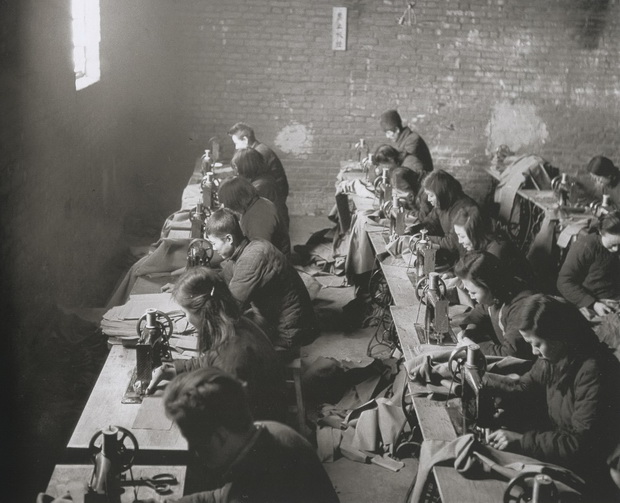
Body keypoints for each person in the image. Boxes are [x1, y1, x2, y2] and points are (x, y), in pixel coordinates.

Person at [484, 294, 620, 500]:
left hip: (589, 475)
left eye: (537, 344)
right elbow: (523, 386)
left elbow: (579, 443)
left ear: (561, 336)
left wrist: (521, 440)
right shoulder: (556, 357)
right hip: (563, 452)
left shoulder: (594, 369)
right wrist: (481, 379)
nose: (533, 351)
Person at [163, 367, 340, 503]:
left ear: (221, 436)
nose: (195, 452)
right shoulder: (271, 430)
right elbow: (224, 495)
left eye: (196, 444)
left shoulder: (260, 486)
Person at [147, 267, 286, 421]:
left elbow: (231, 413)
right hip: (255, 401)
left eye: (184, 313)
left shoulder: (232, 353)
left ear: (203, 312)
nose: (185, 318)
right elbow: (211, 359)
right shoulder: (232, 324)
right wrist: (175, 369)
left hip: (259, 420)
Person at [205, 208, 317, 359]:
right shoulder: (250, 246)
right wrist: (200, 283)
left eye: (214, 243)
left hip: (288, 333)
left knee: (228, 348)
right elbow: (224, 278)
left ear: (229, 239)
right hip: (282, 318)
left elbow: (231, 308)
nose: (213, 248)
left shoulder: (251, 259)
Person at [454, 251, 536, 359]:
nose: (470, 295)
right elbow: (481, 311)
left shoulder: (521, 307)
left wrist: (472, 346)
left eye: (473, 293)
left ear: (490, 286)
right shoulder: (496, 294)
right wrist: (469, 331)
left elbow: (511, 353)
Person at [557, 210, 620, 317]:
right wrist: (593, 304)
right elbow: (564, 282)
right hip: (596, 303)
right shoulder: (585, 247)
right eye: (612, 244)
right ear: (601, 232)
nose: (616, 249)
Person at [452, 205, 535, 286]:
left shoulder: (496, 251)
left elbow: (484, 288)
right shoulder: (478, 244)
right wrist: (457, 278)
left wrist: (460, 281)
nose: (460, 241)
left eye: (462, 236)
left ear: (475, 233)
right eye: (458, 235)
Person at [217, 176, 291, 257]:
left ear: (235, 201)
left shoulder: (259, 217)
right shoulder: (256, 203)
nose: (225, 206)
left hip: (274, 262)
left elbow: (260, 255)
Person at [418, 169, 478, 266]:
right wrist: (414, 231)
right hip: (452, 256)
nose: (428, 199)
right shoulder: (442, 203)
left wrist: (425, 239)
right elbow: (430, 223)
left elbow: (453, 243)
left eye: (431, 195)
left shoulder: (463, 210)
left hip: (463, 260)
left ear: (441, 193)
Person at [228, 122, 289, 203]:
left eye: (236, 143)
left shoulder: (259, 153)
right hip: (269, 192)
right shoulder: (256, 150)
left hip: (272, 196)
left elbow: (249, 177)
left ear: (245, 140)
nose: (236, 147)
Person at [232, 147, 289, 230]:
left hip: (273, 236)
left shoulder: (261, 186)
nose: (236, 172)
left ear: (245, 166)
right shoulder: (263, 178)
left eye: (236, 167)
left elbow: (243, 212)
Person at [379, 109, 433, 176]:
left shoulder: (413, 140)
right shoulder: (401, 141)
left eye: (388, 133)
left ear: (397, 130)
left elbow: (398, 163)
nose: (387, 136)